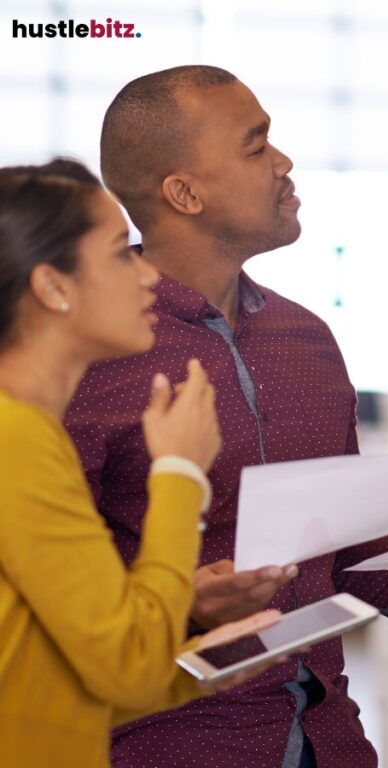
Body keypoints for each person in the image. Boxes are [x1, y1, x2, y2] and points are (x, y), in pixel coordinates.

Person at [64, 66, 388, 768]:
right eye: (256, 147)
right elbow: (43, 586)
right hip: (165, 744)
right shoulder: (90, 354)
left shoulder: (307, 340)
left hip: (330, 739)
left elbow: (343, 558)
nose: (284, 162)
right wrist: (180, 602)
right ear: (184, 192)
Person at [0, 159, 288, 768]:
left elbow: (51, 682)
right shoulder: (16, 438)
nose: (146, 277)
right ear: (53, 286)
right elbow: (126, 665)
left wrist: (196, 670)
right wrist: (181, 475)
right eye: (117, 254)